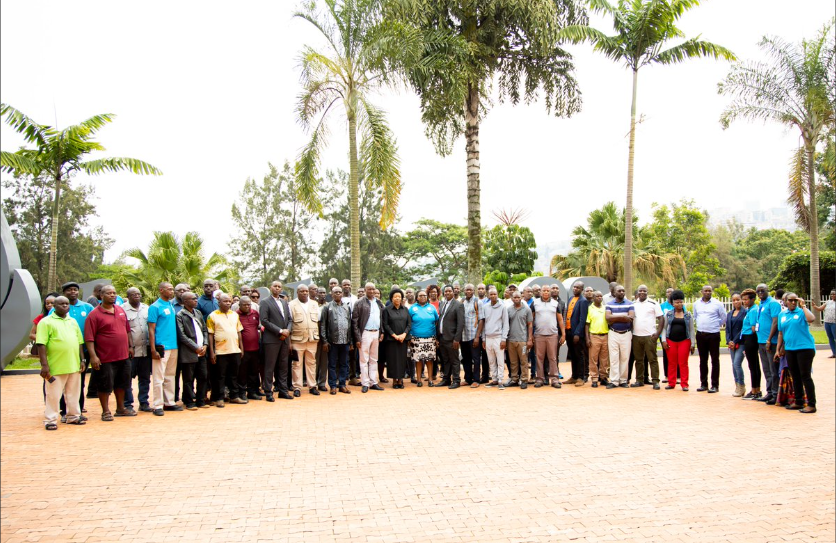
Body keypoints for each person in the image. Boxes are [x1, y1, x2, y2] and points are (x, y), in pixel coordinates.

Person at [84, 285, 135, 421]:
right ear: (101, 296)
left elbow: (127, 330)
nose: (112, 295)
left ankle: (120, 408)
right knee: (105, 385)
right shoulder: (94, 315)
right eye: (109, 293)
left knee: (122, 383)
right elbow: (89, 338)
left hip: (123, 355)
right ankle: (105, 411)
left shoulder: (120, 310)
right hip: (105, 357)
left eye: (114, 293)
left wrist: (130, 346)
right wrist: (93, 356)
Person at [36, 296, 86, 430]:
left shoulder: (72, 321)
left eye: (66, 304)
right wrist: (44, 365)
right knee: (53, 395)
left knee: (74, 393)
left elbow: (79, 342)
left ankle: (73, 416)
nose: (65, 306)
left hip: (74, 365)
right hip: (55, 366)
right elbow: (41, 344)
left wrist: (82, 360)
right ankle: (50, 420)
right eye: (61, 304)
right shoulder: (46, 322)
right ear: (54, 306)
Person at [54, 282, 94, 418]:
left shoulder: (87, 307)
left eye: (75, 290)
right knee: (62, 382)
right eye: (69, 290)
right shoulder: (58, 308)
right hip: (63, 352)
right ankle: (63, 411)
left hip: (83, 351)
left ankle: (78, 410)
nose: (73, 292)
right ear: (64, 293)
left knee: (79, 383)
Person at [775, 293, 817, 413]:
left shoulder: (802, 312)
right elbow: (781, 333)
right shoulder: (782, 315)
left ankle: (811, 404)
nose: (793, 302)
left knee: (805, 376)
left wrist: (803, 306)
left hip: (805, 348)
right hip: (790, 349)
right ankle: (798, 401)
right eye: (791, 300)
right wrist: (778, 349)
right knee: (795, 375)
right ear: (785, 301)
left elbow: (811, 319)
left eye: (795, 300)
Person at [148, 282, 181, 416]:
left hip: (173, 345)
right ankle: (157, 405)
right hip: (161, 346)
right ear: (161, 290)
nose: (172, 291)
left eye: (172, 289)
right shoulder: (155, 307)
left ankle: (169, 402)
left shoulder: (170, 305)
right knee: (158, 376)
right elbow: (151, 329)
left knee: (170, 375)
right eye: (169, 289)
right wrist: (153, 348)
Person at [206, 294, 244, 407]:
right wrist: (212, 352)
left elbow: (239, 332)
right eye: (225, 301)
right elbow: (210, 335)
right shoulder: (212, 316)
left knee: (234, 375)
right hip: (220, 351)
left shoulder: (234, 315)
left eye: (229, 301)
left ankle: (234, 396)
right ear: (219, 303)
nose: (228, 303)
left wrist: (241, 348)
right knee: (220, 376)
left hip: (234, 350)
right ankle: (219, 398)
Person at [175, 292, 210, 410]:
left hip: (202, 351)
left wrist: (205, 344)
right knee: (188, 379)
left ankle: (200, 400)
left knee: (203, 376)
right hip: (189, 352)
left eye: (196, 298)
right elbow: (182, 335)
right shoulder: (180, 315)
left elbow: (204, 330)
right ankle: (189, 401)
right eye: (193, 299)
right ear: (185, 301)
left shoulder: (198, 313)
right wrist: (195, 347)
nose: (196, 300)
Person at [260, 281, 293, 401]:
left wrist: (287, 331)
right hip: (271, 339)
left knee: (283, 366)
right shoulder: (265, 302)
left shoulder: (284, 302)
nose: (277, 288)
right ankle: (268, 392)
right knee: (270, 366)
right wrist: (280, 331)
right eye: (275, 286)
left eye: (279, 287)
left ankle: (283, 391)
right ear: (271, 288)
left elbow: (290, 319)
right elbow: (264, 320)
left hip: (284, 339)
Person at [692, 285, 727, 393]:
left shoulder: (718, 304)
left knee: (715, 360)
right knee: (703, 360)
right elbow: (695, 316)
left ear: (712, 292)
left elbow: (724, 317)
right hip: (701, 334)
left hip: (713, 335)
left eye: (709, 291)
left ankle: (715, 385)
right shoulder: (696, 304)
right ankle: (704, 384)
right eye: (705, 291)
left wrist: (715, 325)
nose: (707, 292)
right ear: (701, 292)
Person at [352, 282, 386, 393]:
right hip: (365, 333)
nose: (371, 291)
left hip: (376, 333)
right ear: (365, 290)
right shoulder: (359, 303)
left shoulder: (379, 303)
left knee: (374, 359)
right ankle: (365, 383)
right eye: (369, 289)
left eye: (373, 289)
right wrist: (357, 338)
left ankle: (373, 382)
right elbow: (355, 322)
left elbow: (382, 318)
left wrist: (382, 332)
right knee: (364, 360)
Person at [289, 285, 321, 397]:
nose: (305, 293)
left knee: (311, 363)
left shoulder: (314, 304)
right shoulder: (291, 304)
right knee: (296, 364)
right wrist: (289, 342)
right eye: (302, 291)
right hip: (297, 339)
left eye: (306, 291)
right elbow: (289, 322)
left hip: (312, 339)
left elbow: (318, 321)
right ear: (297, 292)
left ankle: (312, 386)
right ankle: (297, 387)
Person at [630, 284, 663, 390]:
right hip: (636, 336)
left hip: (650, 336)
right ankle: (639, 380)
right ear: (637, 292)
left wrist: (657, 333)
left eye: (644, 291)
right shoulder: (633, 304)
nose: (642, 292)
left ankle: (655, 381)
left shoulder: (653, 303)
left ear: (647, 292)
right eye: (640, 291)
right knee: (638, 360)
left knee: (652, 359)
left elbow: (661, 319)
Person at [320, 286, 353, 394]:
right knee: (332, 364)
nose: (338, 294)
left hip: (345, 341)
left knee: (344, 364)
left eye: (340, 292)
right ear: (332, 294)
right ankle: (333, 385)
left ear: (342, 294)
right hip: (332, 341)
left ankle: (342, 385)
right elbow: (323, 325)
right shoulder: (327, 307)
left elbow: (350, 324)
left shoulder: (346, 307)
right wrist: (324, 341)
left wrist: (351, 341)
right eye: (336, 292)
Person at [661, 290, 695, 391]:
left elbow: (691, 330)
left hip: (684, 341)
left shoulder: (688, 315)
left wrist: (693, 344)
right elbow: (664, 328)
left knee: (683, 363)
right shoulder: (668, 314)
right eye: (677, 302)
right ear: (673, 303)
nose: (679, 304)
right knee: (672, 362)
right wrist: (664, 340)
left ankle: (684, 384)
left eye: (681, 302)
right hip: (671, 341)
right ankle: (671, 383)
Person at [531, 284, 563, 388]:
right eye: (544, 290)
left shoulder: (555, 303)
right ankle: (540, 379)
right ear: (540, 292)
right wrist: (531, 335)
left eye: (547, 291)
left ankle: (554, 379)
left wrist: (563, 334)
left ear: (550, 292)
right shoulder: (535, 303)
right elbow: (531, 320)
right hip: (539, 335)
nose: (545, 292)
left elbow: (560, 319)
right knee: (539, 358)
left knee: (552, 357)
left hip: (552, 335)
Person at [754, 284, 782, 405]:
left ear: (768, 291)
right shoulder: (761, 304)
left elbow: (775, 322)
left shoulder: (773, 303)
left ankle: (776, 394)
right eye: (758, 291)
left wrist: (769, 340)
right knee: (766, 369)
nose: (760, 293)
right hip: (761, 341)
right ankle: (770, 392)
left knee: (773, 370)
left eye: (762, 290)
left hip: (771, 342)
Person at [477, 287, 509, 389]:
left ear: (497, 295)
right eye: (491, 294)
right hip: (488, 338)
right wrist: (483, 339)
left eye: (495, 294)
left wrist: (504, 339)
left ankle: (500, 380)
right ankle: (494, 379)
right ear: (488, 296)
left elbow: (506, 324)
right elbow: (483, 324)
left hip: (498, 337)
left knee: (500, 360)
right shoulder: (485, 307)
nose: (493, 296)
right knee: (491, 360)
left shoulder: (503, 307)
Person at [605, 285, 634, 389]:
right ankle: (614, 381)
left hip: (626, 333)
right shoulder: (609, 304)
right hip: (613, 333)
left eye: (623, 291)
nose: (621, 292)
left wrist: (614, 318)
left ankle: (623, 380)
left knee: (625, 358)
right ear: (614, 293)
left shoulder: (630, 303)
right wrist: (623, 316)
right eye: (619, 291)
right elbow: (608, 317)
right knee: (613, 358)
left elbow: (631, 318)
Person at [436, 285, 465, 388]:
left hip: (452, 338)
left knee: (454, 360)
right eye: (446, 291)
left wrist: (457, 339)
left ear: (453, 292)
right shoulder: (442, 304)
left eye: (449, 291)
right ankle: (446, 379)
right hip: (442, 337)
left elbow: (460, 323)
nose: (447, 293)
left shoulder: (458, 305)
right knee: (445, 360)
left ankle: (456, 380)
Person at [382, 288, 411, 389]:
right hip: (391, 340)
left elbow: (409, 324)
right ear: (391, 298)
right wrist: (394, 335)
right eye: (395, 297)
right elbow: (385, 325)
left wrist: (404, 334)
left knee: (402, 360)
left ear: (402, 298)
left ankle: (400, 380)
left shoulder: (405, 309)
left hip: (403, 339)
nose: (397, 298)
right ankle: (394, 381)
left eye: (399, 297)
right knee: (393, 360)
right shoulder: (387, 310)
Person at [409, 290, 439, 387]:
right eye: (420, 295)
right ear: (417, 297)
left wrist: (436, 336)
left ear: (427, 297)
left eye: (424, 295)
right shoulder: (412, 308)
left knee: (429, 359)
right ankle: (418, 380)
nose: (423, 297)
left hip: (430, 337)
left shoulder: (432, 307)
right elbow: (408, 322)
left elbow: (437, 321)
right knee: (418, 360)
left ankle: (430, 379)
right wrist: (409, 337)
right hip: (416, 338)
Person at [505, 291, 533, 389]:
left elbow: (530, 324)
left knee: (524, 361)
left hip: (522, 340)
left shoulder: (527, 309)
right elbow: (506, 324)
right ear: (512, 298)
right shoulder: (508, 310)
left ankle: (524, 380)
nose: (516, 299)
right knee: (513, 361)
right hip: (511, 340)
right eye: (514, 297)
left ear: (521, 297)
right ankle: (514, 379)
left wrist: (530, 339)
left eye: (518, 297)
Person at [237, 296, 262, 401]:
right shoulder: (236, 315)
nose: (247, 306)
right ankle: (242, 392)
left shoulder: (255, 313)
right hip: (243, 349)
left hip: (255, 348)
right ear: (239, 305)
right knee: (242, 372)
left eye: (249, 304)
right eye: (245, 305)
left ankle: (252, 392)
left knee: (254, 371)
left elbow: (258, 326)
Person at [564, 281, 590, 386]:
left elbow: (582, 319)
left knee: (579, 355)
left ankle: (581, 377)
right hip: (568, 331)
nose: (575, 289)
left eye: (578, 287)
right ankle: (574, 376)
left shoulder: (583, 301)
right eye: (574, 287)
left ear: (582, 289)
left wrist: (577, 333)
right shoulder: (571, 298)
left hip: (576, 334)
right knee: (573, 355)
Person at [739, 289, 762, 399]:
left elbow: (753, 328)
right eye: (743, 299)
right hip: (748, 338)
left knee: (753, 366)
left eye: (746, 299)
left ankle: (755, 390)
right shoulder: (750, 310)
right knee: (754, 365)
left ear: (753, 299)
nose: (744, 302)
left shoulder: (753, 311)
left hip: (750, 338)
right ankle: (756, 390)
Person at [585, 290, 609, 388]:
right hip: (594, 336)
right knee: (593, 358)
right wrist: (587, 338)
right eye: (597, 296)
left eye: (601, 296)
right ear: (593, 298)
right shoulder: (590, 308)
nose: (599, 298)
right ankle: (594, 378)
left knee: (604, 359)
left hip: (605, 335)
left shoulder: (605, 308)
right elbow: (587, 324)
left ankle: (603, 377)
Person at [725, 293, 748, 397]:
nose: (736, 302)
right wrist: (729, 341)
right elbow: (727, 329)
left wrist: (735, 341)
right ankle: (737, 385)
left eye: (738, 299)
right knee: (733, 365)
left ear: (741, 300)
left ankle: (742, 385)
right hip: (731, 344)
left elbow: (744, 328)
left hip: (741, 342)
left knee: (737, 364)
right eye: (734, 300)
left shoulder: (745, 312)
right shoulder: (730, 313)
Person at [460, 283, 481, 387]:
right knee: (466, 358)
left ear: (473, 291)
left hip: (473, 335)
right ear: (464, 291)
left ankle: (476, 380)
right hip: (464, 335)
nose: (468, 291)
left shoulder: (477, 302)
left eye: (470, 290)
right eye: (467, 290)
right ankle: (468, 379)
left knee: (476, 358)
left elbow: (481, 320)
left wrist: (477, 337)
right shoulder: (462, 301)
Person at [29, 292, 58, 358]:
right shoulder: (41, 317)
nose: (49, 305)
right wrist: (44, 340)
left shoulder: (66, 318)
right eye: (47, 303)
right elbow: (31, 335)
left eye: (52, 303)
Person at [812, 290, 836, 358]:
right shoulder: (828, 302)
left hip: (834, 323)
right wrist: (814, 306)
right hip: (827, 322)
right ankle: (834, 353)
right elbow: (820, 309)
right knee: (830, 338)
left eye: (834, 294)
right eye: (831, 294)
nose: (832, 295)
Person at [659, 288, 675, 383]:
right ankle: (667, 376)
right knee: (666, 355)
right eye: (668, 292)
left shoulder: (678, 304)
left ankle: (677, 376)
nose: (670, 293)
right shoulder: (662, 306)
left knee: (676, 355)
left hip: (676, 334)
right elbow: (660, 319)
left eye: (671, 292)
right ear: (666, 294)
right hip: (664, 334)